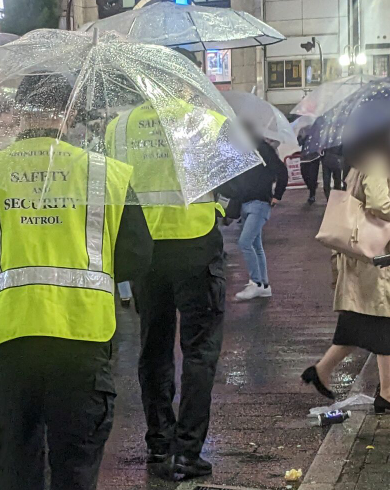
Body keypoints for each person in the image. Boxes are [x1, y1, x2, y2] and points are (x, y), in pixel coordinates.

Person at [0, 72, 153, 490]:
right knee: (75, 467)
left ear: (19, 113)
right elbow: (137, 258)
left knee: (17, 460)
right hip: (83, 343)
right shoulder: (107, 174)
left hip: (9, 343)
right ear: (70, 112)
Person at [104, 49, 244, 478]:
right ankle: (187, 451)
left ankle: (158, 446)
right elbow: (235, 182)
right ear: (184, 78)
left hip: (145, 251)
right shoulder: (206, 121)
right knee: (199, 350)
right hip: (196, 243)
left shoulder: (119, 127)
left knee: (154, 348)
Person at [301, 103, 390, 414]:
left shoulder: (367, 161)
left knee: (362, 325)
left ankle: (325, 372)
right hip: (377, 262)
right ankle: (387, 394)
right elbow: (379, 202)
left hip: (367, 262)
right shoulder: (376, 161)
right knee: (388, 326)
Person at [229, 138, 288, 300]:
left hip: (260, 203)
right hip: (246, 203)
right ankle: (264, 285)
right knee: (255, 244)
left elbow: (281, 170)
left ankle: (256, 283)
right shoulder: (240, 152)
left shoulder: (262, 148)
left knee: (245, 242)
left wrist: (277, 195)